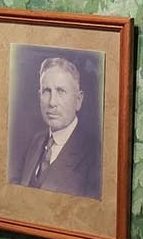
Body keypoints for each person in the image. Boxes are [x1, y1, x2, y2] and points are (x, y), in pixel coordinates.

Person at [14, 57, 100, 199]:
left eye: (61, 91)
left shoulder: (95, 155)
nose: (52, 102)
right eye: (46, 91)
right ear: (39, 96)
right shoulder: (36, 142)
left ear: (78, 100)